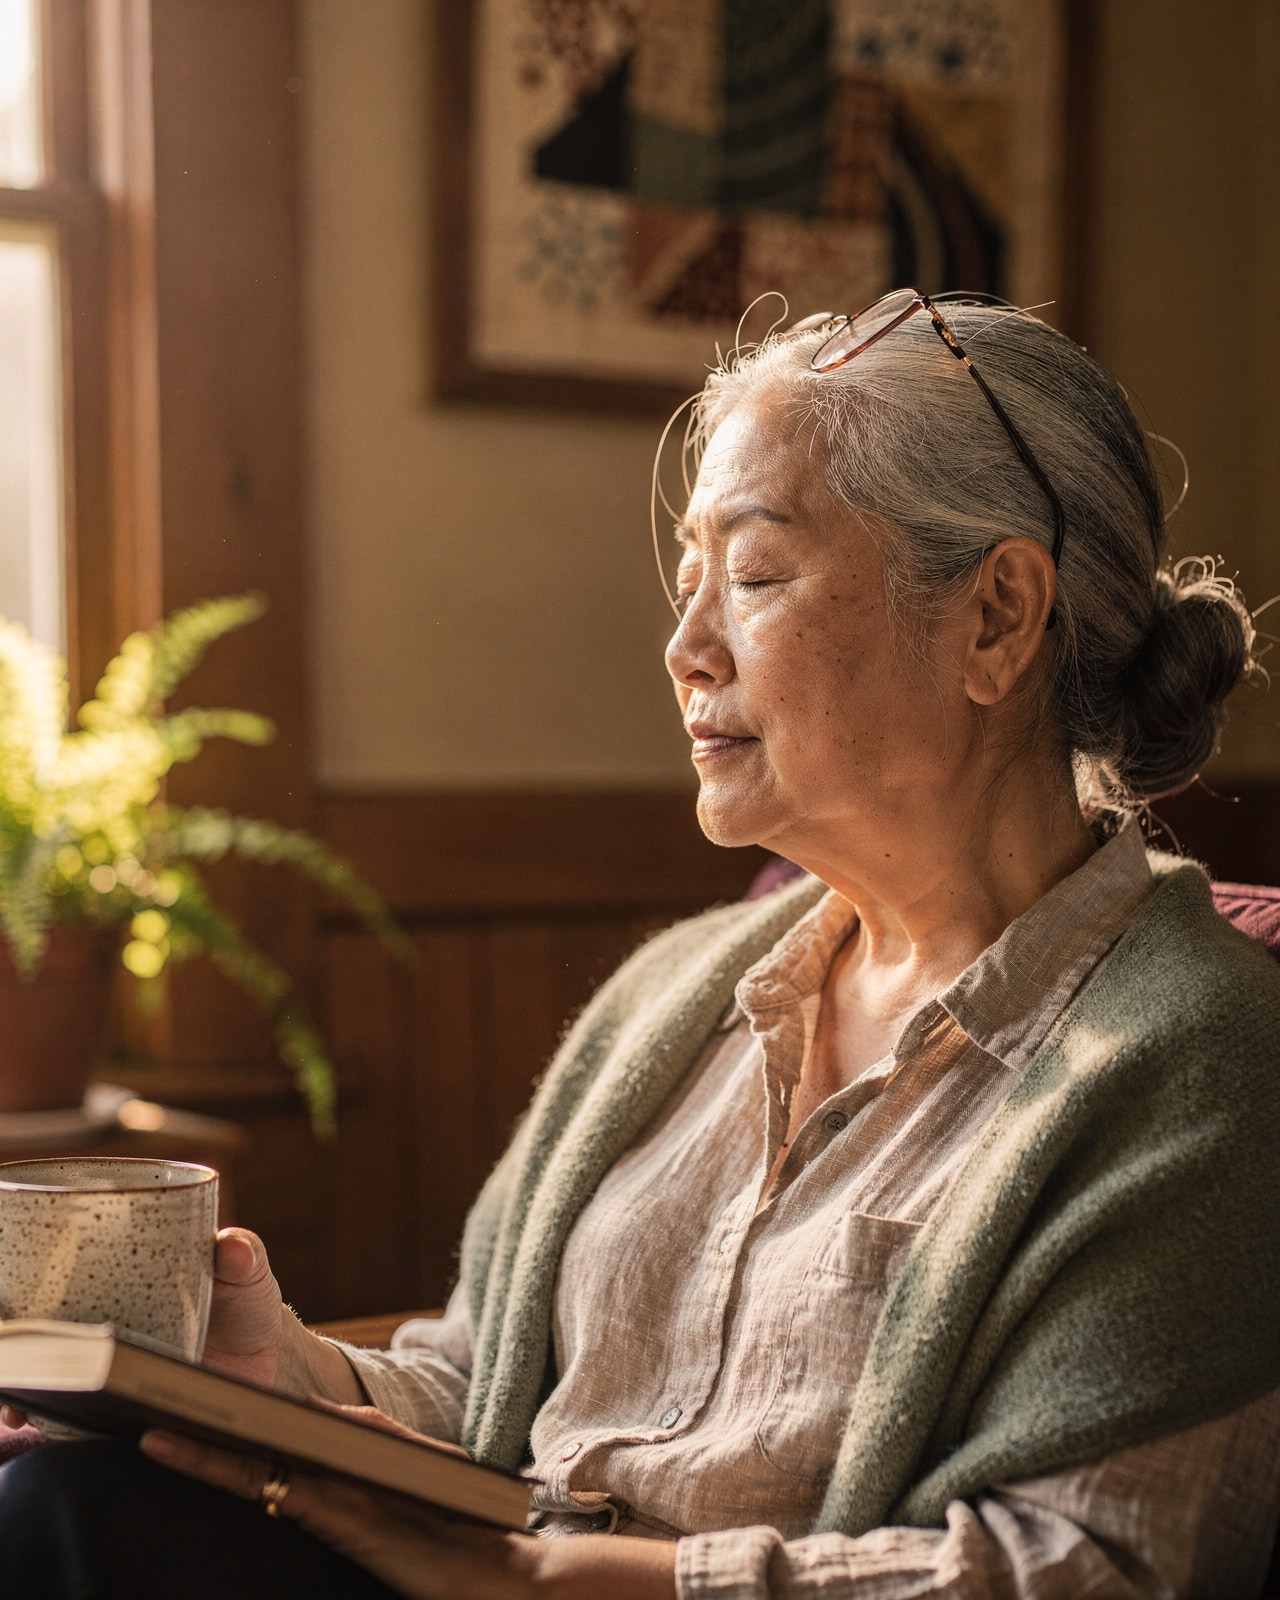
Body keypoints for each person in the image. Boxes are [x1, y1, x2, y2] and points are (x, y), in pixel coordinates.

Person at [5, 290, 1280, 1600]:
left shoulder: (1205, 1060)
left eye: (757, 575)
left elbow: (1090, 1570)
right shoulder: (671, 1001)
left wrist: (557, 1582)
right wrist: (292, 1375)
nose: (685, 649)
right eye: (688, 584)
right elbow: (484, 1390)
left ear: (1000, 618)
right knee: (58, 1492)